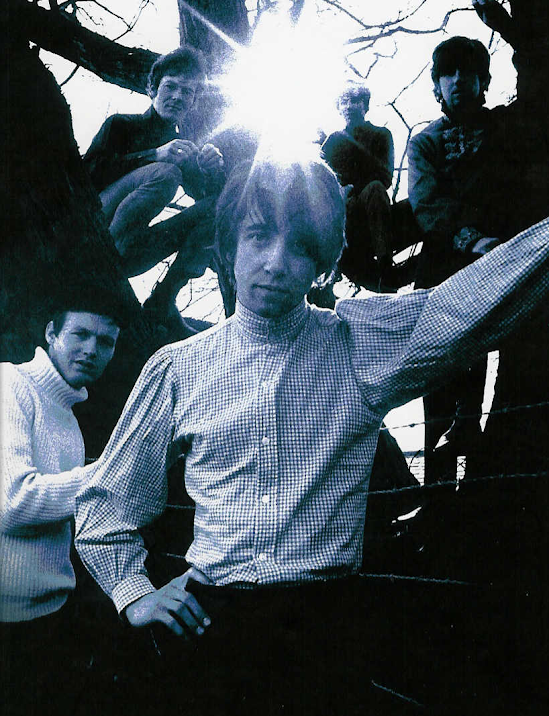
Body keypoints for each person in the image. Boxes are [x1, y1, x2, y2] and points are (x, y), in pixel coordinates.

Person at [74, 144, 548, 714]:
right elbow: (107, 505)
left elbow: (470, 303)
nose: (276, 263)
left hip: (327, 627)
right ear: (229, 244)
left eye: (300, 246)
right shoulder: (178, 368)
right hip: (211, 625)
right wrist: (135, 593)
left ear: (323, 260)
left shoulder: (357, 343)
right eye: (258, 236)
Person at [406, 0, 547, 479]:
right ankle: (438, 491)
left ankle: (485, 481)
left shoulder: (507, 126)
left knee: (507, 384)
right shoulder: (425, 142)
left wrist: (507, 29)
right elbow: (428, 205)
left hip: (509, 268)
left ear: (485, 83)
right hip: (447, 271)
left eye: (469, 73)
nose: (459, 81)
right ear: (436, 88)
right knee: (442, 389)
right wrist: (473, 241)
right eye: (448, 74)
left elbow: (542, 78)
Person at [0, 294, 123, 716]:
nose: (91, 350)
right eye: (80, 334)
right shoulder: (9, 383)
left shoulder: (69, 415)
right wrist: (113, 471)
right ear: (51, 333)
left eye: (105, 342)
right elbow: (13, 503)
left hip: (49, 617)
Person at [83, 46, 225, 278]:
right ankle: (105, 259)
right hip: (92, 228)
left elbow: (206, 199)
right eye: (170, 86)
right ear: (152, 89)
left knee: (218, 206)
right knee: (167, 173)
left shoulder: (183, 148)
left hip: (132, 250)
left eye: (187, 92)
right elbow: (87, 177)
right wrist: (154, 156)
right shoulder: (121, 125)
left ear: (193, 102)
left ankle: (166, 292)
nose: (177, 96)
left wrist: (212, 170)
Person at [321, 83, 396, 291]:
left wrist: (353, 186)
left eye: (354, 101)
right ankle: (328, 273)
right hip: (343, 207)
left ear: (365, 105)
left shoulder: (381, 134)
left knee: (375, 188)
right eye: (343, 102)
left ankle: (386, 265)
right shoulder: (333, 140)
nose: (348, 106)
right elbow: (320, 179)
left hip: (371, 200)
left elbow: (385, 176)